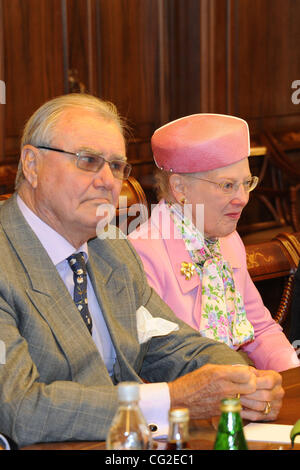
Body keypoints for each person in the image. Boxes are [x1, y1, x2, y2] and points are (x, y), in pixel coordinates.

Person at [0, 96, 283, 448]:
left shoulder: (110, 248)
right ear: (31, 163)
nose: (107, 180)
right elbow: (19, 408)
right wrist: (172, 399)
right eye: (88, 161)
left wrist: (238, 381)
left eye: (117, 166)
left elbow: (174, 345)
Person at [129, 114, 299, 372]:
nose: (242, 198)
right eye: (227, 185)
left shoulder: (228, 240)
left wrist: (292, 374)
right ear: (180, 188)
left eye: (246, 184)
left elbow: (260, 329)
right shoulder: (141, 253)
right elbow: (154, 361)